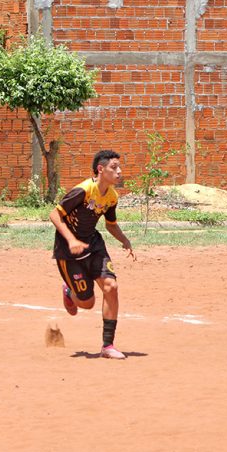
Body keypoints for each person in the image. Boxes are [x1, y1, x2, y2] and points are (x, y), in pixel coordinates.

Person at [50, 150, 135, 359]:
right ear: (101, 169)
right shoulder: (83, 191)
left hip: (94, 245)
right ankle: (70, 292)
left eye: (119, 167)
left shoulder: (112, 196)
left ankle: (108, 346)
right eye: (114, 167)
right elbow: (54, 214)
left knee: (111, 286)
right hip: (68, 252)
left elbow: (111, 225)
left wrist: (124, 240)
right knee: (87, 303)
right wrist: (71, 240)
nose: (119, 172)